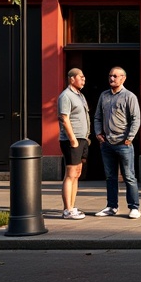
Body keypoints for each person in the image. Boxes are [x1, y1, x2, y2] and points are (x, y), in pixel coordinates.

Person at [93, 66, 141, 219]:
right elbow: (97, 117)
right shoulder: (104, 96)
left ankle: (134, 207)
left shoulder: (129, 96)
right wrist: (98, 133)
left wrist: (130, 137)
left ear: (123, 78)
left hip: (123, 143)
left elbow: (136, 119)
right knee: (110, 177)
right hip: (106, 143)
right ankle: (111, 206)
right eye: (110, 76)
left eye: (115, 76)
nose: (112, 78)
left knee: (129, 176)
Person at [57, 67, 91, 220]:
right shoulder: (65, 96)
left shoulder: (80, 96)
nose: (83, 79)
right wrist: (73, 140)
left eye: (84, 77)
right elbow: (64, 118)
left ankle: (72, 206)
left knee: (77, 174)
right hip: (72, 140)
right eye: (81, 77)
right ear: (72, 79)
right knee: (70, 174)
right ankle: (67, 209)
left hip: (82, 139)